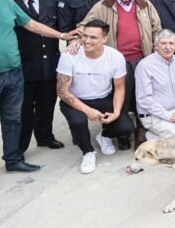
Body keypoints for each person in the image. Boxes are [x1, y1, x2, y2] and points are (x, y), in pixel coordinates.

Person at [79, 0, 162, 148]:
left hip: (142, 59)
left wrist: (156, 51)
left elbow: (157, 28)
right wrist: (74, 40)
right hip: (117, 62)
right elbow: (84, 27)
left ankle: (141, 130)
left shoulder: (144, 4)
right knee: (120, 98)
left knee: (142, 96)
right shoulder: (104, 5)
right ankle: (121, 133)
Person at [1, 0, 76, 172]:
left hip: (13, 71)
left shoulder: (6, 3)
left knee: (13, 118)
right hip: (20, 69)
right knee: (19, 115)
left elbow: (32, 25)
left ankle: (13, 159)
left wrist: (62, 35)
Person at [56, 20, 134, 174]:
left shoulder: (115, 57)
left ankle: (104, 135)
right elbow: (62, 91)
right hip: (75, 99)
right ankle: (88, 152)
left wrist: (117, 113)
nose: (86, 41)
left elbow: (119, 88)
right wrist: (87, 111)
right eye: (84, 36)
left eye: (93, 37)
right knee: (78, 121)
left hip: (103, 97)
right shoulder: (70, 56)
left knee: (126, 127)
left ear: (104, 39)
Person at [7, 0, 65, 152]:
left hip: (49, 64)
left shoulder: (51, 0)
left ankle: (45, 137)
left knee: (47, 105)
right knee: (23, 111)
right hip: (23, 66)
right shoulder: (9, 3)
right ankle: (20, 148)